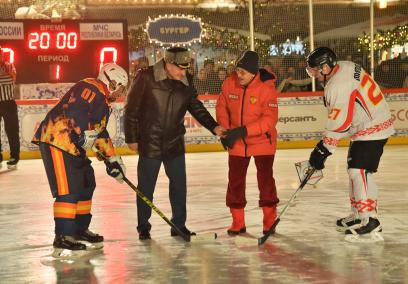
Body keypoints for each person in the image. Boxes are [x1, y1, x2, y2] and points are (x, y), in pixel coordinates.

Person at [124, 47, 225, 240]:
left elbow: (196, 106)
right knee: (146, 188)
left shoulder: (186, 81)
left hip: (174, 143)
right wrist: (132, 138)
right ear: (168, 64)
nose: (183, 72)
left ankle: (179, 225)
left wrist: (214, 127)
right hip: (150, 142)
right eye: (180, 68)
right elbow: (131, 109)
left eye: (186, 69)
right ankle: (143, 226)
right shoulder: (146, 77)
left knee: (179, 187)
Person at [32, 63, 128, 256]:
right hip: (57, 140)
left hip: (73, 145)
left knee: (86, 183)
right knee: (68, 190)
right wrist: (82, 131)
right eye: (120, 88)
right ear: (111, 81)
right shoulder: (91, 87)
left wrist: (112, 159)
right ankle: (63, 236)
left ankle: (78, 229)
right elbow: (76, 110)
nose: (120, 93)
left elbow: (99, 132)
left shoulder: (103, 101)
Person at [305, 47, 395, 242]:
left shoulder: (337, 85)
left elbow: (341, 123)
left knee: (359, 171)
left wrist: (324, 148)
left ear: (326, 67)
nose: (313, 74)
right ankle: (357, 214)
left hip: (373, 127)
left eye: (314, 70)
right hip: (368, 124)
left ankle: (369, 219)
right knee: (354, 171)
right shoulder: (345, 66)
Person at [216, 50, 280, 235]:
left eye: (243, 72)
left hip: (263, 142)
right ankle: (238, 222)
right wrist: (226, 132)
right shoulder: (230, 83)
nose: (239, 75)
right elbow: (222, 107)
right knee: (235, 181)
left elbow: (269, 120)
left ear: (254, 73)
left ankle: (269, 221)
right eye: (238, 70)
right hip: (237, 141)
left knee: (265, 181)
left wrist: (243, 131)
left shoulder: (266, 88)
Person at [0, 46, 20, 170]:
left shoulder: (9, 65)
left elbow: (12, 79)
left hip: (8, 103)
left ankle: (14, 157)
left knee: (12, 131)